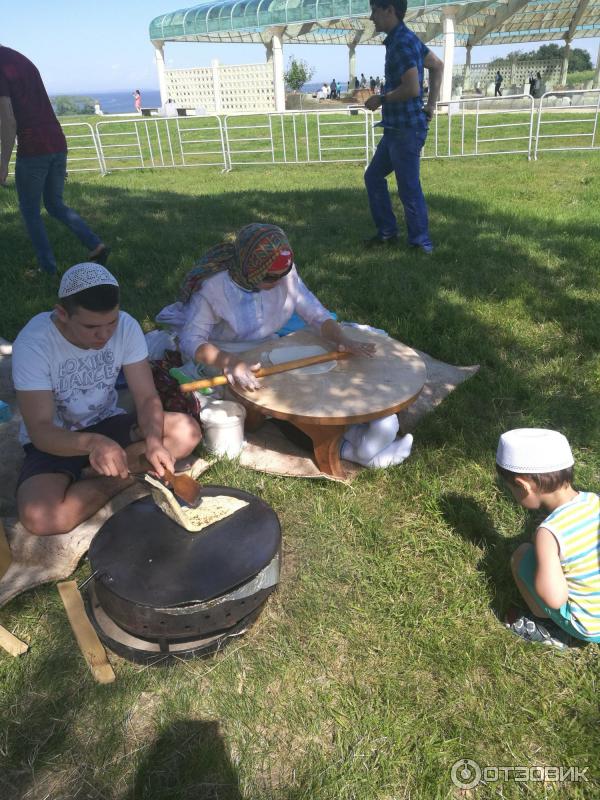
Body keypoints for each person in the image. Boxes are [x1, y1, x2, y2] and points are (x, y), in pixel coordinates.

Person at [155, 223, 413, 468]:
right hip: (223, 354)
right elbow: (191, 340)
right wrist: (230, 363)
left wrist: (342, 338)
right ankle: (350, 450)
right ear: (249, 269)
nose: (279, 281)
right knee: (274, 400)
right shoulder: (214, 288)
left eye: (283, 275)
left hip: (267, 346)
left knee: (305, 382)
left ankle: (359, 438)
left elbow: (315, 313)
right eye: (270, 278)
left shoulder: (283, 273)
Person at [12, 263, 202, 536]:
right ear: (62, 314)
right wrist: (94, 444)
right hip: (57, 439)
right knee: (40, 518)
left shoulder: (126, 326)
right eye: (91, 327)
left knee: (186, 432)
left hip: (107, 421)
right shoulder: (34, 343)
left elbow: (147, 396)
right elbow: (41, 430)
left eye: (111, 322)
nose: (104, 335)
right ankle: (127, 471)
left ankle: (108, 474)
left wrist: (152, 441)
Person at [0, 45, 109, 276]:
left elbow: (8, 120)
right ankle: (96, 245)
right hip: (57, 141)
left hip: (33, 147)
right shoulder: (18, 59)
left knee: (30, 210)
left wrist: (3, 164)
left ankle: (47, 267)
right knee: (55, 204)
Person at [496, 428, 600, 649]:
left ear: (524, 486)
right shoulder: (595, 500)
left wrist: (544, 554)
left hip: (591, 625)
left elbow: (554, 598)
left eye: (511, 489)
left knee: (521, 555)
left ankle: (548, 626)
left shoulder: (549, 533)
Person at [363, 0, 443, 254]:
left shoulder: (401, 43)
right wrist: (431, 106)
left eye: (375, 9)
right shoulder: (407, 38)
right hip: (396, 128)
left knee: (408, 187)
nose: (371, 16)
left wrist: (381, 99)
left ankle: (421, 244)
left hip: (405, 131)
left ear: (389, 10)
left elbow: (411, 88)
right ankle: (387, 233)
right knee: (373, 176)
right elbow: (437, 65)